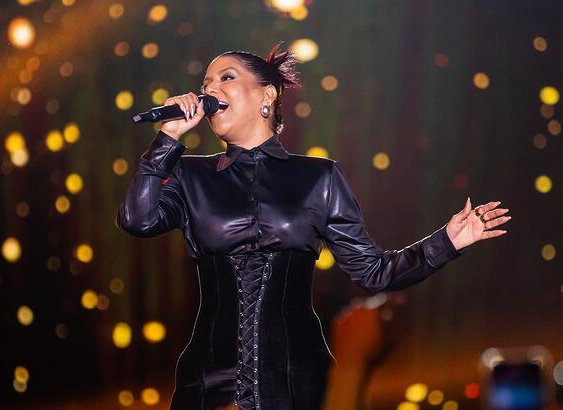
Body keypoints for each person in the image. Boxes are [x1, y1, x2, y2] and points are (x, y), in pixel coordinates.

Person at [117, 43, 510, 410]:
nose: (210, 89)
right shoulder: (190, 174)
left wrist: (447, 242)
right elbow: (138, 220)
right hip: (210, 379)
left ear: (266, 95)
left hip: (297, 378)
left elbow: (373, 273)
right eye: (205, 83)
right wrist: (167, 139)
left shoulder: (318, 178)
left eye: (227, 77)